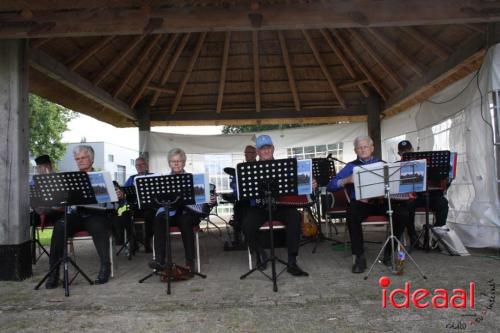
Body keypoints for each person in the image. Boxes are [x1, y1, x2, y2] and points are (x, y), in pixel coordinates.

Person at [327, 135, 409, 274]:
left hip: (382, 201)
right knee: (352, 214)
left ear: (372, 148)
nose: (363, 150)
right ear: (355, 151)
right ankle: (359, 257)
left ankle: (389, 253)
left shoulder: (383, 164)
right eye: (359, 148)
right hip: (361, 203)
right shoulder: (351, 166)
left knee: (402, 214)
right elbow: (330, 186)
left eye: (365, 147)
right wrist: (346, 180)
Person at [45, 145, 112, 289]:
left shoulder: (102, 177)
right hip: (75, 215)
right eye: (77, 159)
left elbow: (111, 203)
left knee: (99, 226)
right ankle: (53, 273)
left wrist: (116, 195)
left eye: (83, 158)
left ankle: (105, 267)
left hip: (95, 215)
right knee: (59, 226)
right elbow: (63, 203)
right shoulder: (70, 179)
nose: (80, 161)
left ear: (92, 159)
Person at [241, 135, 309, 277]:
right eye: (262, 149)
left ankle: (292, 261)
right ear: (258, 152)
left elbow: (298, 184)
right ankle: (261, 253)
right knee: (246, 224)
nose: (265, 151)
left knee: (294, 216)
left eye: (268, 148)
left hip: (280, 205)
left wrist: (309, 184)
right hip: (260, 207)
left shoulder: (285, 166)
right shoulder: (249, 169)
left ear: (273, 149)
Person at [149, 148, 215, 275]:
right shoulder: (163, 182)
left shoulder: (193, 179)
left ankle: (190, 263)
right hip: (172, 213)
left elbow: (205, 199)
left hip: (189, 214)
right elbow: (156, 202)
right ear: (169, 163)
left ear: (184, 163)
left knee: (185, 221)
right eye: (173, 161)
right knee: (158, 220)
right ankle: (160, 261)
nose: (176, 164)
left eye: (179, 161)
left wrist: (210, 200)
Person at [397, 140, 449, 247]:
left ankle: (436, 235)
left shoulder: (427, 162)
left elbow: (439, 182)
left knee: (443, 203)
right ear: (400, 154)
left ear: (413, 150)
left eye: (409, 151)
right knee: (407, 205)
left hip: (428, 195)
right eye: (404, 152)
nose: (407, 153)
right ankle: (412, 235)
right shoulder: (397, 166)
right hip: (412, 197)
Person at [121, 157, 155, 253]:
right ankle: (133, 242)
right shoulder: (131, 178)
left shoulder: (153, 176)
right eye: (137, 165)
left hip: (148, 206)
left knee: (150, 214)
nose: (139, 167)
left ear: (147, 166)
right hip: (134, 206)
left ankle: (147, 241)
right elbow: (124, 192)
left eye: (141, 164)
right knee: (124, 213)